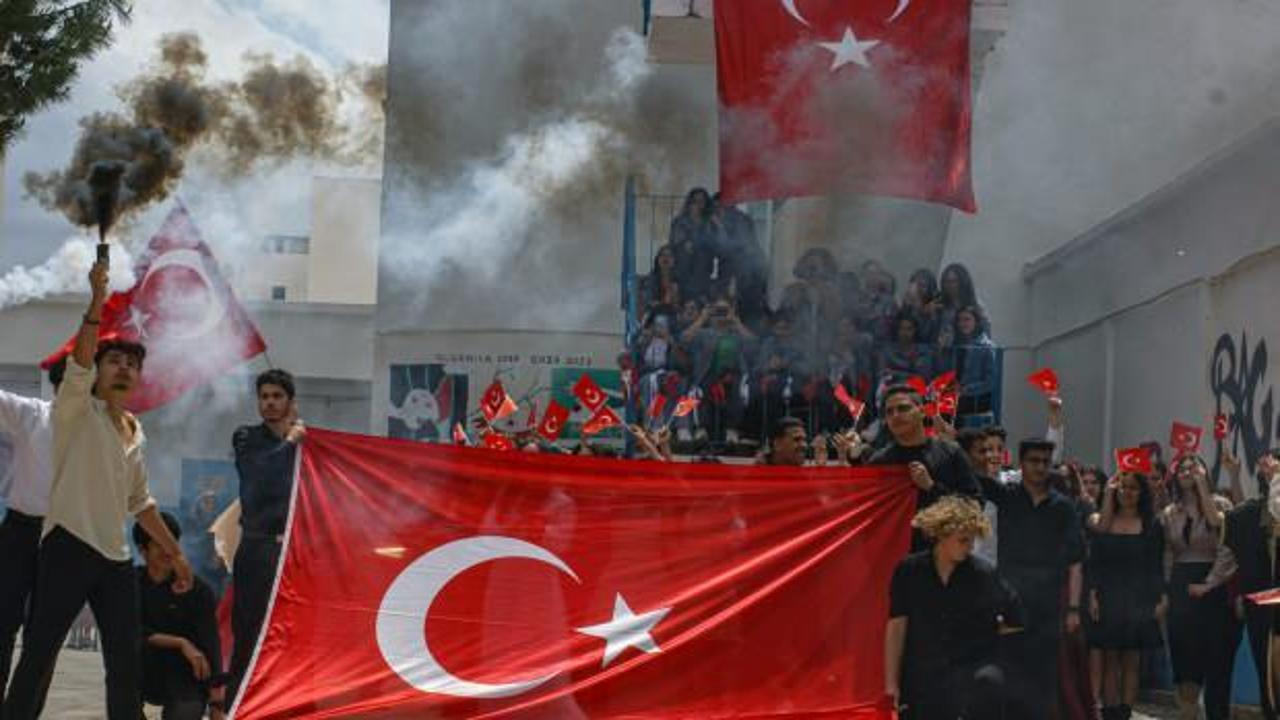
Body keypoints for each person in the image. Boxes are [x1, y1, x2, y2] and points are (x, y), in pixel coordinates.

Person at [4, 259, 192, 720]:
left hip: (116, 558)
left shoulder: (134, 430)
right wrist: (95, 301)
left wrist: (175, 553)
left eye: (131, 364)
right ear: (97, 371)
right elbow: (82, 359)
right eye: (114, 362)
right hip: (67, 547)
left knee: (125, 662)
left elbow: (141, 503)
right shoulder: (74, 411)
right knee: (40, 652)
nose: (123, 369)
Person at [976, 438, 1085, 720]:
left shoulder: (1063, 508)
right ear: (1021, 464)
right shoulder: (1006, 496)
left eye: (1045, 462)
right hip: (1009, 601)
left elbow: (1076, 561)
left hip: (1048, 606)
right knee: (1006, 674)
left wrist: (1073, 608)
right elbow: (966, 477)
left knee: (1042, 678)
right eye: (1033, 461)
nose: (1039, 467)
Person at [885, 495, 1021, 720]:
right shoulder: (909, 571)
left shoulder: (983, 574)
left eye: (972, 541)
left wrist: (984, 631)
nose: (969, 547)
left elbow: (1016, 619)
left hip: (970, 677)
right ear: (941, 534)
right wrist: (891, 684)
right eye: (963, 540)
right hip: (922, 677)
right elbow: (897, 625)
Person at [226, 368, 306, 706]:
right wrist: (290, 441)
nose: (270, 403)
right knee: (250, 632)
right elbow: (260, 475)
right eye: (265, 397)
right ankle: (237, 705)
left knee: (292, 633)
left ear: (291, 402)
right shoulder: (246, 437)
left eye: (277, 397)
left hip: (296, 552)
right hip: (258, 550)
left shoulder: (307, 441)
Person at [0, 360, 63, 714]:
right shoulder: (32, 414)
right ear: (58, 386)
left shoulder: (98, 429)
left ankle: (23, 711)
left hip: (64, 537)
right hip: (20, 529)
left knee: (44, 637)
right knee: (2, 623)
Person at [1201, 449, 1280, 719]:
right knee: (1269, 679)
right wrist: (1204, 481)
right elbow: (1217, 521)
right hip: (1264, 609)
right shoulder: (1247, 515)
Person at [1086, 471, 1167, 720]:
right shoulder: (1103, 520)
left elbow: (1156, 564)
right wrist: (1093, 594)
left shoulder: (1152, 524)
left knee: (1132, 659)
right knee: (1109, 657)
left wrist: (1161, 598)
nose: (1127, 492)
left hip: (1140, 597)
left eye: (1133, 488)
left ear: (1142, 492)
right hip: (1108, 594)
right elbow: (1095, 562)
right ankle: (1109, 712)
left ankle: (1125, 712)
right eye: (1122, 487)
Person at [1161, 454, 1235, 720]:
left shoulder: (1221, 504)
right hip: (1181, 585)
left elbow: (1227, 547)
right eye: (1182, 467)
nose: (1187, 470)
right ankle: (1188, 712)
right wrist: (1167, 592)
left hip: (1215, 586)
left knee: (1215, 658)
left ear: (1205, 471)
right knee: (1184, 655)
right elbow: (1168, 555)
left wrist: (1209, 583)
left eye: (1194, 466)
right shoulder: (1170, 511)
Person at [135, 512, 226, 720]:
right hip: (141, 670)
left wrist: (217, 704)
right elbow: (130, 632)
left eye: (172, 543)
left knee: (185, 711)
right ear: (142, 551)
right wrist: (180, 642)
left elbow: (211, 644)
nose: (168, 551)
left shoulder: (198, 591)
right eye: (159, 544)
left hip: (184, 675)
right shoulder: (129, 585)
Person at [869, 384, 981, 518]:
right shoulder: (879, 462)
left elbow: (975, 504)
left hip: (940, 538)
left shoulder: (951, 453)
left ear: (922, 412)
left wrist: (932, 487)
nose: (896, 415)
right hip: (897, 538)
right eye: (889, 412)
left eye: (903, 408)